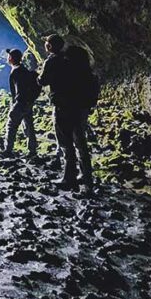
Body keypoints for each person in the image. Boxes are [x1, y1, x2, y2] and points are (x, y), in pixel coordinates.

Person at [38, 34, 97, 195]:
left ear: (49, 46)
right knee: (81, 142)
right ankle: (87, 178)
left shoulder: (53, 61)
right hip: (79, 107)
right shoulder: (74, 61)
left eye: (47, 43)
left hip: (63, 107)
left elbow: (43, 81)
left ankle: (68, 178)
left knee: (66, 143)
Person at [2, 48, 39, 158]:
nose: (7, 58)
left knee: (11, 126)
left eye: (9, 56)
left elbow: (18, 91)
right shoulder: (25, 70)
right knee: (28, 126)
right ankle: (32, 151)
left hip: (20, 103)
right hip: (28, 103)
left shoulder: (16, 72)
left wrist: (15, 104)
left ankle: (8, 150)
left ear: (11, 59)